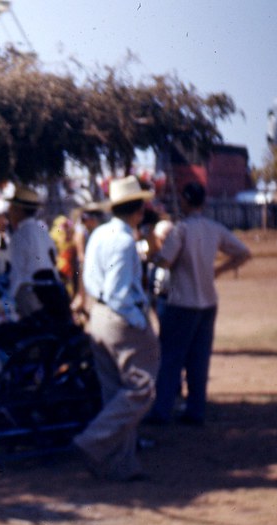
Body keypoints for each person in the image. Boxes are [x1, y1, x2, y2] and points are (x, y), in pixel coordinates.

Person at [73, 176, 159, 481]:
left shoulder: (99, 234)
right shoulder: (124, 242)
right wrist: (140, 325)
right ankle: (93, 441)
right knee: (142, 388)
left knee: (114, 392)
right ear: (139, 209)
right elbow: (119, 292)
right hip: (120, 316)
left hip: (99, 315)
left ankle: (119, 465)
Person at [146, 182, 251, 425]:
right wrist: (218, 270)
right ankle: (195, 410)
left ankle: (162, 410)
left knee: (171, 357)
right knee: (199, 358)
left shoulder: (180, 229)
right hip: (207, 302)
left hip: (182, 302)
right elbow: (243, 252)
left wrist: (151, 247)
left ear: (184, 200)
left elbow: (164, 261)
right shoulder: (214, 228)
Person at [0, 185, 59, 316]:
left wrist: (6, 305)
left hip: (31, 296)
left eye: (11, 209)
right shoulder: (44, 232)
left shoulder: (20, 235)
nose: (9, 213)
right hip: (52, 293)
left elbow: (16, 273)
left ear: (18, 210)